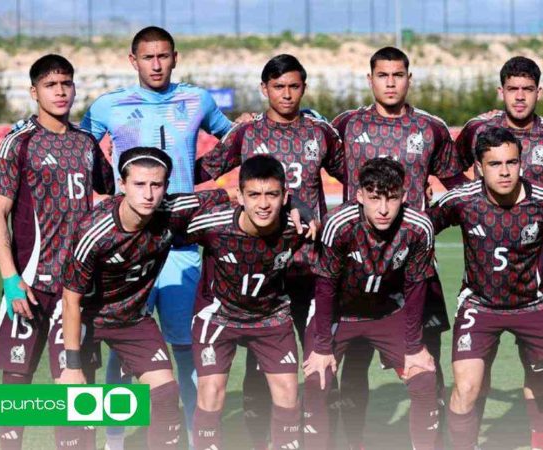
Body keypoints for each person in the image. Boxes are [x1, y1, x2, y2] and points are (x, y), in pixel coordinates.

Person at [79, 26, 240, 449]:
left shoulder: (197, 99)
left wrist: (203, 175)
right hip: (125, 244)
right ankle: (114, 439)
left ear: (175, 58)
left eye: (163, 56)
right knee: (121, 343)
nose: (156, 64)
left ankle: (188, 437)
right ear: (133, 61)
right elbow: (79, 150)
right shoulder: (108, 106)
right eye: (147, 57)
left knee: (183, 345)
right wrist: (104, 178)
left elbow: (236, 137)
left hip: (181, 243)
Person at [193, 53, 344, 449]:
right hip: (261, 274)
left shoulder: (320, 132)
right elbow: (202, 172)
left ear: (304, 88)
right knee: (261, 375)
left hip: (311, 269)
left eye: (294, 86)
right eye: (278, 87)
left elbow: (358, 174)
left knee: (318, 370)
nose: (287, 94)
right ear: (265, 90)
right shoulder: (245, 134)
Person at [454, 55, 543, 449]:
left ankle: (539, 439)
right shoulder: (477, 130)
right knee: (473, 374)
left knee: (537, 364)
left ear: (539, 92)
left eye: (527, 90)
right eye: (512, 90)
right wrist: (475, 210)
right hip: (485, 267)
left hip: (538, 266)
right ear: (500, 92)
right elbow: (451, 171)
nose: (519, 98)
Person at [330, 46, 468, 448]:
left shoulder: (431, 129)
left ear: (409, 78)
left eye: (398, 75)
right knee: (353, 367)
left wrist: (438, 216)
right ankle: (353, 441)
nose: (390, 82)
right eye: (382, 75)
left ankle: (432, 440)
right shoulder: (346, 125)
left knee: (427, 359)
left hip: (413, 264)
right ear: (369, 79)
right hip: (355, 267)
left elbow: (457, 185)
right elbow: (307, 158)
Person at [58, 147, 231, 450]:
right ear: (122, 185)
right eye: (139, 185)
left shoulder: (171, 210)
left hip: (133, 320)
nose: (149, 194)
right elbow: (70, 299)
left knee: (165, 395)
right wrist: (72, 365)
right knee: (75, 404)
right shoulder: (93, 231)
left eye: (157, 185)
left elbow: (225, 196)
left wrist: (299, 208)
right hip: (86, 318)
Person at [430, 127, 543, 450]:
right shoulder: (461, 200)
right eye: (494, 164)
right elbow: (420, 228)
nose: (504, 171)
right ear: (479, 168)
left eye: (511, 162)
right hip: (480, 305)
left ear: (521, 163)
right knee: (466, 388)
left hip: (533, 303)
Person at [0, 54, 114, 450]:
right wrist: (10, 279)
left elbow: (110, 197)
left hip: (76, 291)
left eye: (66, 84)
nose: (60, 92)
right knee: (16, 385)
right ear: (34, 92)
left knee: (78, 390)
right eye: (50, 85)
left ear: (74, 88)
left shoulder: (86, 143)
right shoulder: (18, 142)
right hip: (27, 286)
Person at [302, 157, 440, 450]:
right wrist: (323, 347)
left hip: (386, 312)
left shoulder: (418, 227)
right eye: (374, 198)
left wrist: (414, 348)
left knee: (424, 378)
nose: (383, 209)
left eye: (391, 198)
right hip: (339, 311)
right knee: (318, 378)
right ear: (359, 195)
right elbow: (325, 287)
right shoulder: (338, 224)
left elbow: (416, 288)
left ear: (403, 195)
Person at [189, 155, 308, 450]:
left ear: (285, 197)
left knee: (288, 393)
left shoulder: (298, 229)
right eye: (254, 195)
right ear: (239, 196)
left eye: (272, 195)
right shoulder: (213, 224)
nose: (263, 204)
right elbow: (166, 222)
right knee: (212, 392)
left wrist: (303, 210)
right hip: (218, 315)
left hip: (271, 316)